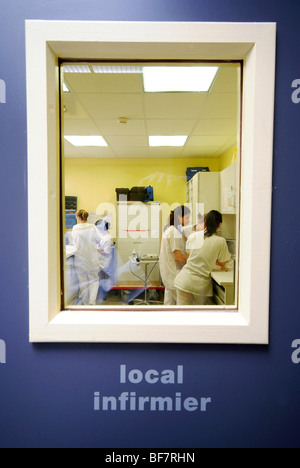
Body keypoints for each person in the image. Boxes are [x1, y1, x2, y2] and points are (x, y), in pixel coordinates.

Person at [174, 210, 231, 306]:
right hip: (200, 285)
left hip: (184, 280)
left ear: (205, 222)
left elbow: (189, 257)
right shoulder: (220, 241)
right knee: (199, 315)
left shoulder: (193, 236)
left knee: (182, 315)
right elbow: (222, 263)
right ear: (219, 224)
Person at [159, 205, 191, 305]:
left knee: (169, 302)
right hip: (173, 273)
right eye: (187, 217)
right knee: (180, 303)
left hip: (169, 273)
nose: (188, 220)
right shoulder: (173, 232)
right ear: (178, 217)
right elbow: (178, 256)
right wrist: (190, 266)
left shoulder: (170, 229)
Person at [72, 209, 101, 305]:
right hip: (92, 260)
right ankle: (92, 303)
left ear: (78, 217)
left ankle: (85, 305)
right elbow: (98, 241)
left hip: (80, 261)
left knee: (83, 283)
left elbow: (75, 244)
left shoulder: (75, 228)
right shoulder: (93, 227)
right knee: (94, 281)